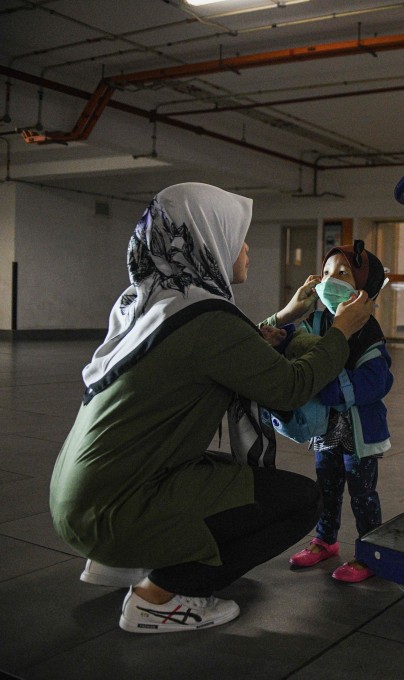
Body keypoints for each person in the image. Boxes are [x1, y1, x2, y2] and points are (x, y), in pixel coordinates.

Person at [49, 182, 374, 633]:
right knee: (298, 502)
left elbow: (232, 346)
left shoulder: (152, 301)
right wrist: (340, 332)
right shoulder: (208, 319)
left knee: (229, 477)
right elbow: (289, 386)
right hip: (111, 510)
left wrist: (282, 317)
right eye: (234, 234)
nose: (244, 248)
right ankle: (160, 596)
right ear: (206, 240)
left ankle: (124, 558)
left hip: (82, 494)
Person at [264, 241, 393, 583]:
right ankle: (325, 540)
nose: (329, 279)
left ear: (363, 286)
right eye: (325, 272)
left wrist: (331, 387)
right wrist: (282, 336)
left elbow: (376, 381)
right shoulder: (319, 319)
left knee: (362, 492)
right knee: (327, 486)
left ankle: (369, 551)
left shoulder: (369, 332)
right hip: (326, 430)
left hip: (358, 431)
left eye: (342, 273)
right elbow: (302, 343)